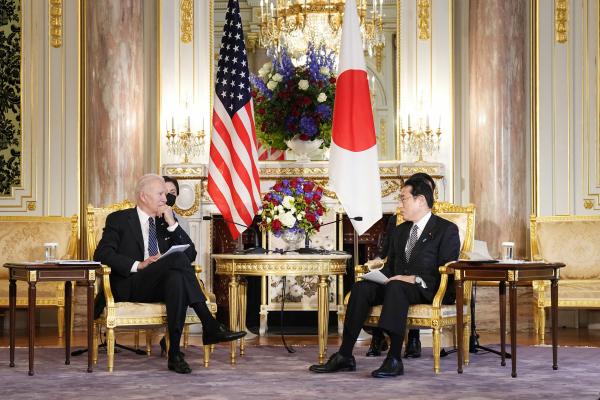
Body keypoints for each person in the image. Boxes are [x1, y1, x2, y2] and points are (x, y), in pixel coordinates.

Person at [309, 175, 460, 378]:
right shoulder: (400, 231)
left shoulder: (446, 229)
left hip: (426, 288)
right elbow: (391, 267)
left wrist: (414, 279)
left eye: (403, 198)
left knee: (396, 287)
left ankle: (394, 358)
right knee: (362, 288)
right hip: (396, 284)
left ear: (420, 200)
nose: (400, 204)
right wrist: (375, 276)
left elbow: (446, 268)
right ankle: (345, 355)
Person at [94, 173, 246, 374]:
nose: (165, 200)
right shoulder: (119, 219)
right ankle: (209, 324)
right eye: (160, 194)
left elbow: (190, 254)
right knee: (175, 260)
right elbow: (102, 254)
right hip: (130, 285)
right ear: (144, 196)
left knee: (176, 278)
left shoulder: (165, 222)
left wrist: (173, 223)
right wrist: (138, 264)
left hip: (158, 286)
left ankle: (174, 354)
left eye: (166, 195)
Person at [367, 172, 437, 359]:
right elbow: (388, 251)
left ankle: (411, 340)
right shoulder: (397, 223)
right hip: (397, 274)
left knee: (401, 285)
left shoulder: (438, 225)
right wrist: (377, 260)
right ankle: (377, 337)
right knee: (367, 287)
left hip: (420, 283)